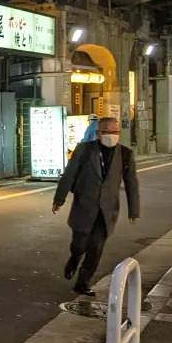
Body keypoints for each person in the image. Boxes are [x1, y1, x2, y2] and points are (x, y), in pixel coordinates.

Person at [52, 117, 140, 296]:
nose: (111, 135)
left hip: (107, 210)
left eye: (115, 132)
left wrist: (134, 211)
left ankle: (83, 282)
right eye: (106, 132)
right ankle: (75, 258)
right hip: (84, 205)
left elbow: (131, 183)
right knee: (79, 243)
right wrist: (59, 199)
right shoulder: (84, 150)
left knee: (96, 247)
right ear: (98, 133)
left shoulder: (125, 154)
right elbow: (69, 174)